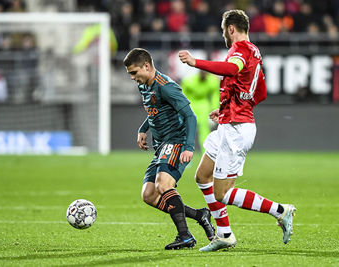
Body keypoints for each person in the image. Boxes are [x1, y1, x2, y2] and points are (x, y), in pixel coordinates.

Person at [178, 9, 296, 252]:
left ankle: (281, 211)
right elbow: (260, 92)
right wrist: (228, 109)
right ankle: (224, 234)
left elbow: (231, 70)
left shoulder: (240, 50)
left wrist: (194, 62)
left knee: (222, 193)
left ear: (230, 28)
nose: (224, 34)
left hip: (236, 130)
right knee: (202, 177)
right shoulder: (255, 51)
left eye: (224, 30)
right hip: (229, 123)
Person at [123, 48, 215, 250]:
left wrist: (189, 147)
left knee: (164, 184)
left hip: (176, 141)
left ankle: (185, 236)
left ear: (147, 66)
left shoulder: (167, 86)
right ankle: (200, 215)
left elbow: (190, 115)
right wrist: (143, 129)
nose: (132, 77)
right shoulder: (144, 85)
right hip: (161, 146)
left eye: (134, 72)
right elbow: (154, 112)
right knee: (149, 195)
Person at [180, 71, 220, 153]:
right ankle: (183, 154)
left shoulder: (212, 81)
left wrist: (214, 110)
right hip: (190, 105)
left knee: (204, 133)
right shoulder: (189, 81)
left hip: (204, 107)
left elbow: (215, 97)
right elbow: (182, 95)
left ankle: (206, 154)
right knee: (186, 132)